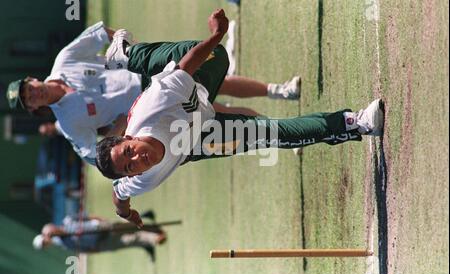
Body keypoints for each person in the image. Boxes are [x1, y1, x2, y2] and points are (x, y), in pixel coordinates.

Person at [94, 9, 385, 228]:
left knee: (217, 55)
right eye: (129, 167)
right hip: (197, 140)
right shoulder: (138, 182)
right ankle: (355, 123)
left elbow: (186, 64)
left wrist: (217, 34)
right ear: (131, 175)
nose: (136, 160)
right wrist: (127, 213)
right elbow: (118, 196)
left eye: (128, 151)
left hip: (183, 89)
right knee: (273, 134)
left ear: (129, 138)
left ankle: (127, 54)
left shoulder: (155, 106)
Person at [6, 23, 300, 165]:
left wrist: (133, 52)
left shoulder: (63, 60)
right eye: (28, 99)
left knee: (218, 82)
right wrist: (121, 130)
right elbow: (95, 156)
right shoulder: (69, 123)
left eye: (28, 89)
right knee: (218, 111)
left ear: (32, 79)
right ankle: (281, 133)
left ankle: (279, 91)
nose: (33, 94)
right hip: (146, 112)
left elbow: (100, 34)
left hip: (147, 74)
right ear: (33, 109)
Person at [32, 213, 166, 258]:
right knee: (131, 240)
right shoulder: (64, 244)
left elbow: (87, 217)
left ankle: (153, 227)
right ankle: (155, 238)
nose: (46, 242)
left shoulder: (68, 220)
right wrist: (98, 250)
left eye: (44, 241)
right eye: (44, 245)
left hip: (101, 228)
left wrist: (101, 220)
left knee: (129, 227)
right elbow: (84, 250)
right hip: (102, 243)